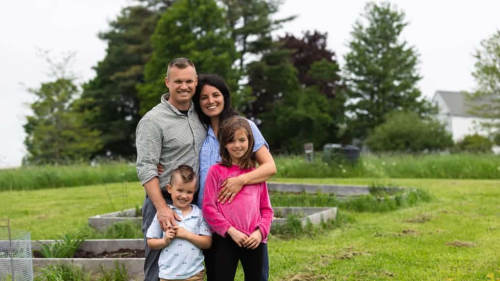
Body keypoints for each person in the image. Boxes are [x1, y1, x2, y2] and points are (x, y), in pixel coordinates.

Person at [159, 74, 276, 280]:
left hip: (248, 224)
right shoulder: (198, 130)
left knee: (257, 275)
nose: (210, 101)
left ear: (225, 96)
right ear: (198, 102)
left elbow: (269, 167)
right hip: (210, 221)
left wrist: (240, 180)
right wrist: (162, 165)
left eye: (216, 95)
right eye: (204, 97)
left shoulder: (244, 127)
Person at [136, 58, 206, 281]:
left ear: (196, 82)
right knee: (158, 265)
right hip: (163, 201)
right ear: (167, 82)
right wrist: (161, 208)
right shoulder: (153, 120)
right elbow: (146, 168)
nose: (184, 86)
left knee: (192, 262)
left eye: (188, 81)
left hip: (194, 201)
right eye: (178, 81)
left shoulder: (201, 115)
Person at [202, 116, 273, 281]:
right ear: (224, 144)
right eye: (231, 141)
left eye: (242, 140)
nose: (237, 145)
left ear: (249, 141)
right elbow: (208, 208)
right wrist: (231, 231)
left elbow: (266, 210)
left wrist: (259, 233)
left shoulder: (256, 174)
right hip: (226, 238)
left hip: (254, 240)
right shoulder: (216, 171)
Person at [146, 165, 212, 281]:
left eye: (189, 192)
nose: (184, 196)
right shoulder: (163, 215)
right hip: (168, 275)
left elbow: (207, 243)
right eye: (180, 190)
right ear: (169, 188)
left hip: (194, 274)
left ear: (194, 192)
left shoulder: (199, 214)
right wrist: (165, 241)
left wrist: (186, 235)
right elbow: (151, 242)